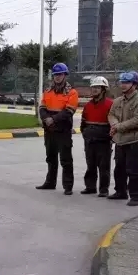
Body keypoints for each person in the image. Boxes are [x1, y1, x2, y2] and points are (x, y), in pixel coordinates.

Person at [36, 63, 79, 195]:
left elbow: (69, 111)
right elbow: (42, 108)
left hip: (63, 130)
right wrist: (46, 119)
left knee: (66, 159)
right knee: (51, 158)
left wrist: (53, 119)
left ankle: (68, 186)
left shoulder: (72, 92)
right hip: (49, 130)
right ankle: (50, 182)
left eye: (60, 74)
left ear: (65, 75)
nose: (57, 77)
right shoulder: (48, 91)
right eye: (55, 75)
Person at [108, 71, 138, 206]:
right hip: (120, 141)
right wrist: (114, 124)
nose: (123, 85)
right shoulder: (118, 101)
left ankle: (136, 196)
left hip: (134, 140)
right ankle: (120, 192)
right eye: (122, 82)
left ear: (135, 84)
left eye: (127, 82)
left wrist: (118, 127)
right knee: (119, 169)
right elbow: (111, 114)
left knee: (135, 170)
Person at [79, 76, 113, 197]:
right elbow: (83, 122)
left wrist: (110, 138)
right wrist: (86, 134)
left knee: (104, 166)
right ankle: (90, 187)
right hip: (90, 140)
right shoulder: (88, 105)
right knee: (90, 165)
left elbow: (114, 123)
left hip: (104, 141)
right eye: (93, 87)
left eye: (97, 87)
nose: (94, 89)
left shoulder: (110, 104)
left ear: (103, 89)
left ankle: (104, 189)